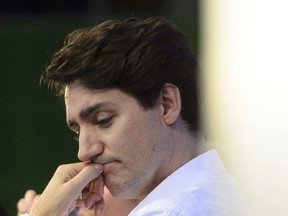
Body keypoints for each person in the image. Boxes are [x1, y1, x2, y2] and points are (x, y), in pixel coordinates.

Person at [25, 17, 249, 215]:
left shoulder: (171, 210)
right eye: (77, 131)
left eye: (104, 120)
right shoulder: (224, 192)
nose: (84, 152)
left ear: (167, 104)